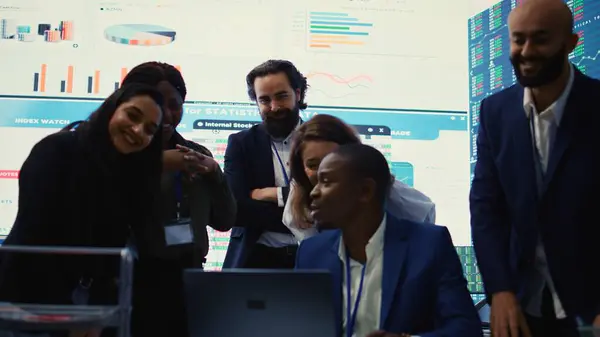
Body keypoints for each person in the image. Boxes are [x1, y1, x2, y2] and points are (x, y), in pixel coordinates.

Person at [470, 0, 600, 336]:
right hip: (521, 303)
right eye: (518, 39)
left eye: (540, 39)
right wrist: (498, 290)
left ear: (570, 43)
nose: (526, 51)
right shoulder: (494, 112)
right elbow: (486, 208)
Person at [0, 84, 164, 337]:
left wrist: (95, 312)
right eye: (132, 115)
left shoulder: (128, 175)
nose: (137, 130)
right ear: (111, 109)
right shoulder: (56, 150)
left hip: (85, 307)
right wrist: (68, 318)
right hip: (25, 302)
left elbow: (112, 255)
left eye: (150, 130)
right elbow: (37, 235)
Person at [295, 143, 481, 337]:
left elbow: (466, 329)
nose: (314, 192)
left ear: (365, 191)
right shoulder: (311, 252)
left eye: (326, 182)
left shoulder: (428, 245)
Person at [120, 62, 236, 337]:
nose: (167, 115)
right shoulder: (119, 153)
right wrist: (159, 166)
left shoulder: (195, 153)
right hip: (133, 280)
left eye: (175, 104)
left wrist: (215, 173)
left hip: (189, 277)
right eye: (158, 104)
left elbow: (225, 220)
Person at [284, 114, 435, 241]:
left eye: (331, 160)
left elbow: (425, 215)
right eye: (313, 165)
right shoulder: (298, 206)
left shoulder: (391, 195)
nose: (324, 172)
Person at [222, 59, 307, 269]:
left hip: (312, 257)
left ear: (298, 94)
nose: (274, 107)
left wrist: (270, 195)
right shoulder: (241, 143)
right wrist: (301, 213)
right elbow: (237, 210)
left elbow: (329, 204)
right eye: (264, 100)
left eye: (281, 96)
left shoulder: (324, 140)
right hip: (256, 259)